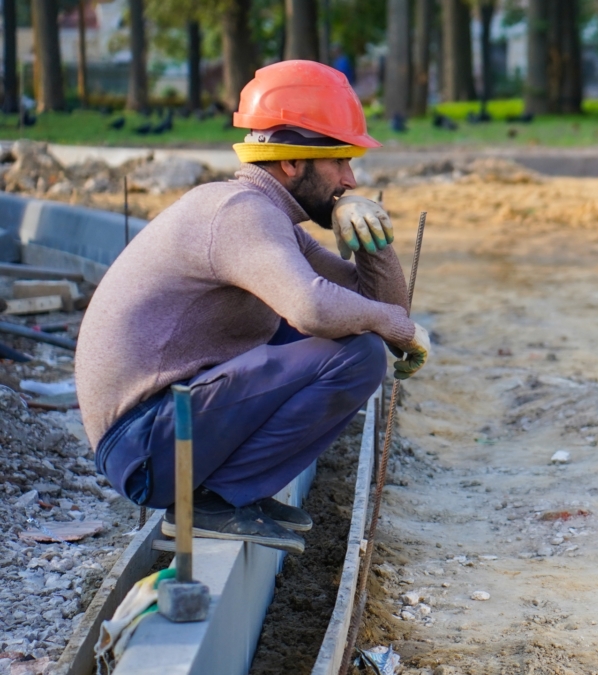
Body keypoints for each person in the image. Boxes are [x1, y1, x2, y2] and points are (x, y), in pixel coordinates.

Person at [75, 60, 430, 555]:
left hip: (159, 432)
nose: (350, 179)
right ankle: (213, 503)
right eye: (340, 162)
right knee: (358, 353)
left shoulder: (270, 220)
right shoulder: (241, 214)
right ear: (291, 163)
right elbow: (314, 308)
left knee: (349, 332)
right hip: (145, 445)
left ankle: (227, 494)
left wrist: (373, 239)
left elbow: (373, 304)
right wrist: (396, 327)